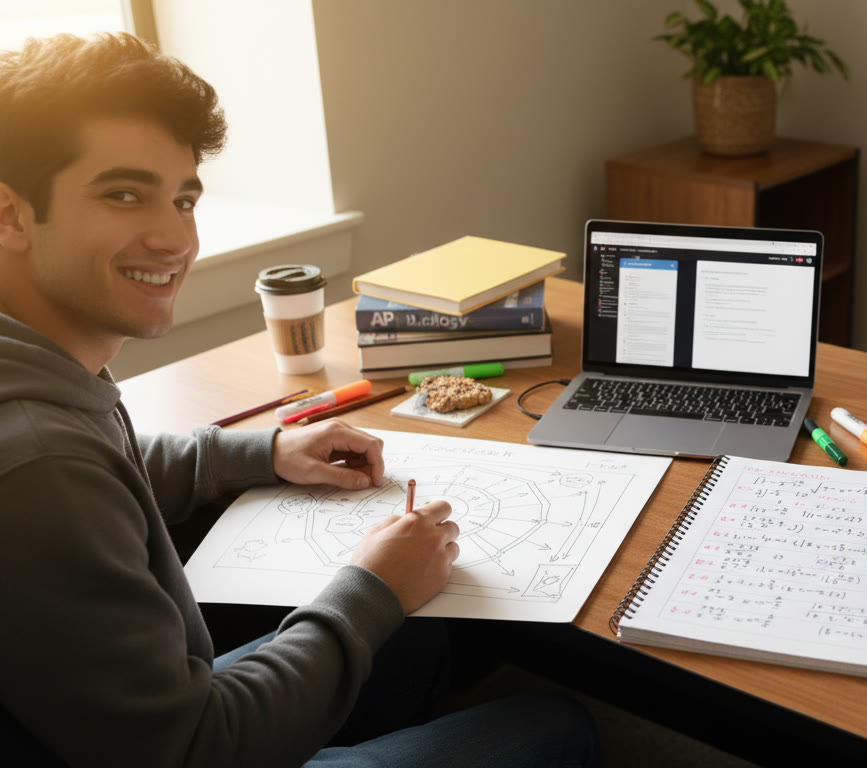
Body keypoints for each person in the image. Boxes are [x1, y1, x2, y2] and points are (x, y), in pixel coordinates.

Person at [0, 32, 596, 767]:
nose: (172, 237)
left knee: (418, 632)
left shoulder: (34, 372)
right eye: (123, 194)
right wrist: (371, 588)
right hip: (188, 746)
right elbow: (197, 747)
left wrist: (265, 449)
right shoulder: (38, 462)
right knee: (553, 726)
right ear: (11, 215)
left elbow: (105, 469)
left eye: (184, 198)